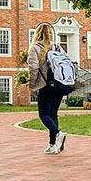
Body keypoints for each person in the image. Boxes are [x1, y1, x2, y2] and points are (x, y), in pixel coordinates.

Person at [27, 22, 69, 154]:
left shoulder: (35, 48)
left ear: (37, 33)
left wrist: (33, 83)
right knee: (53, 114)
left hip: (46, 86)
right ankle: (53, 145)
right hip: (59, 85)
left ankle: (58, 133)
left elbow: (33, 67)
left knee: (44, 114)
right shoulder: (56, 47)